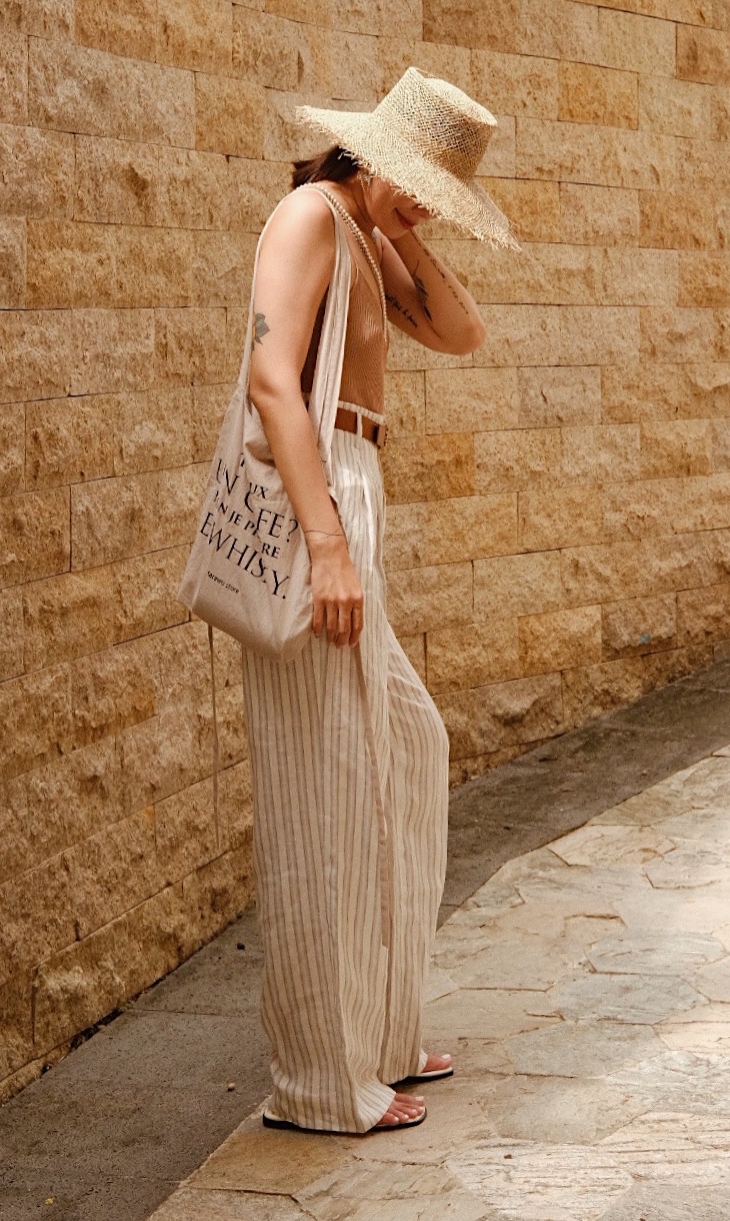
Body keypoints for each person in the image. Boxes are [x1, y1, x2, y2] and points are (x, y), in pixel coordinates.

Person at [242, 67, 516, 1134]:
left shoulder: (361, 232)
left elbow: (461, 331)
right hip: (318, 496)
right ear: (374, 154)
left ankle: (383, 1039)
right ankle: (320, 1081)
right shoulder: (311, 216)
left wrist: (402, 221)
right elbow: (271, 379)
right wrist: (326, 545)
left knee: (403, 747)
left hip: (355, 486)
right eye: (419, 184)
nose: (427, 206)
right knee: (326, 789)